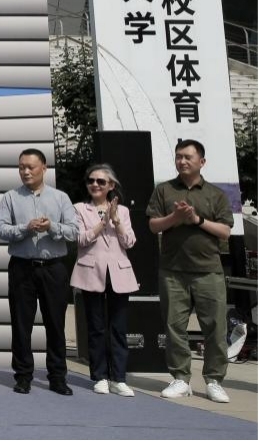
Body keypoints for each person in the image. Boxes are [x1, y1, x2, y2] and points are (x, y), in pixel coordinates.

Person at [147, 139, 234, 403]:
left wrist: (196, 219)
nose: (182, 161)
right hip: (173, 271)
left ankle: (214, 380)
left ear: (201, 162)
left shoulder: (215, 194)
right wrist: (175, 218)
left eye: (187, 157)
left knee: (215, 328)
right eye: (178, 157)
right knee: (174, 327)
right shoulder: (164, 190)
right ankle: (181, 379)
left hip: (208, 271)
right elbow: (153, 226)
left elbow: (225, 231)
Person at [0, 148, 78, 395]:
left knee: (55, 324)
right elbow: (0, 229)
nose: (26, 171)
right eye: (21, 167)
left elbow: (74, 231)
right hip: (22, 267)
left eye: (30, 167)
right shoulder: (10, 197)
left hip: (53, 267)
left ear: (44, 168)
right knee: (21, 324)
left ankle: (58, 377)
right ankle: (23, 376)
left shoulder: (60, 198)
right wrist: (24, 228)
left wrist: (51, 227)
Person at [70, 164, 138, 397]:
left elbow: (129, 242)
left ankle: (119, 378)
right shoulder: (79, 208)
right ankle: (99, 376)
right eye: (91, 180)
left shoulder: (123, 211)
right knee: (96, 327)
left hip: (119, 273)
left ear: (111, 185)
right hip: (91, 272)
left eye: (100, 181)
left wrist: (116, 220)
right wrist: (102, 222)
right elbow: (81, 239)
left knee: (118, 328)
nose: (95, 185)